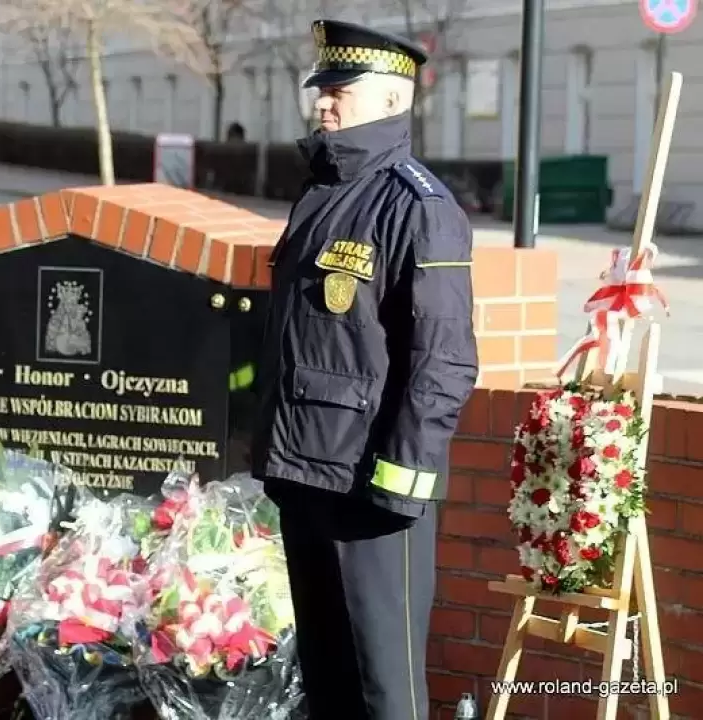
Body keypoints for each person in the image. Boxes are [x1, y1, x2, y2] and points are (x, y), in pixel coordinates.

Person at [250, 19, 479, 720]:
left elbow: (444, 359)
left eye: (339, 90)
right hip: (307, 478)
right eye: (320, 88)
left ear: (390, 100)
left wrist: (397, 485)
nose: (322, 102)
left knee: (387, 691)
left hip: (372, 495)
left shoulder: (419, 207)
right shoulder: (321, 191)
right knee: (327, 683)